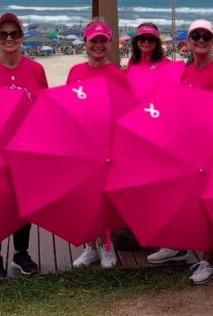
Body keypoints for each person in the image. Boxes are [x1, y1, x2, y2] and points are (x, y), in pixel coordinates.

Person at [147, 19, 213, 285]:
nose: (200, 40)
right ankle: (177, 245)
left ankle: (208, 260)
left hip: (209, 147)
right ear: (189, 40)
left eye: (206, 36)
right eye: (196, 35)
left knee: (207, 204)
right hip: (187, 144)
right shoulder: (187, 70)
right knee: (181, 198)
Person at [0, 12, 48, 281]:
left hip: (25, 149)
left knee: (22, 204)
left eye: (14, 33)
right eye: (3, 34)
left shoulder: (36, 70)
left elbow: (43, 108)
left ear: (22, 38)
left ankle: (21, 252)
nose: (9, 38)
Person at [68, 18, 128, 269]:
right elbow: (67, 107)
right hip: (81, 144)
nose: (98, 45)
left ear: (111, 43)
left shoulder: (117, 75)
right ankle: (90, 247)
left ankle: (106, 245)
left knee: (104, 198)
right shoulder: (76, 72)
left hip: (107, 146)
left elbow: (125, 113)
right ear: (86, 42)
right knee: (84, 197)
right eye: (94, 41)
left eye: (103, 40)